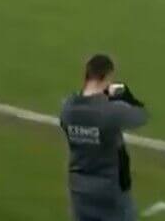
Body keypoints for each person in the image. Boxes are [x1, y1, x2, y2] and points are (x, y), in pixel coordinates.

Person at [59, 54, 148, 221]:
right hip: (109, 190)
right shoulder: (111, 111)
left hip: (79, 189)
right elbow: (141, 117)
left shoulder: (67, 108)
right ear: (107, 77)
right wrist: (126, 97)